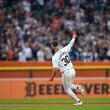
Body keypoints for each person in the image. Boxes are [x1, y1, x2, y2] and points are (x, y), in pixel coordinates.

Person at [49, 33, 85, 106]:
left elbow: (55, 69)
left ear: (52, 47)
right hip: (72, 70)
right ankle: (78, 87)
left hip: (66, 72)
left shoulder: (54, 57)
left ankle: (78, 101)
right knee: (68, 85)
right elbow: (71, 43)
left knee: (67, 89)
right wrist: (74, 37)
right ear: (58, 45)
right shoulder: (64, 49)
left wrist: (52, 78)